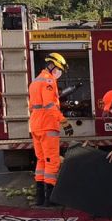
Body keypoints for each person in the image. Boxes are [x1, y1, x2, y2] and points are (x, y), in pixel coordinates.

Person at [29, 53, 73, 207]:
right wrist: (64, 122)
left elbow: (32, 106)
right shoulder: (49, 81)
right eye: (59, 68)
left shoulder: (35, 81)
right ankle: (51, 199)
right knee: (52, 161)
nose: (59, 72)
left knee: (41, 160)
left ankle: (40, 198)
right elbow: (49, 105)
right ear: (53, 65)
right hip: (48, 125)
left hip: (35, 125)